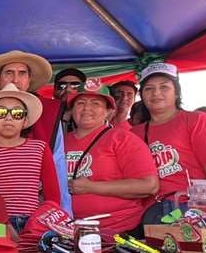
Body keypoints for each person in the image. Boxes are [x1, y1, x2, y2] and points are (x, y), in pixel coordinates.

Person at [130, 62, 206, 219]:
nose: (156, 93)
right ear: (142, 95)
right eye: (149, 88)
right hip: (148, 211)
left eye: (164, 87)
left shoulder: (197, 120)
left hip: (188, 207)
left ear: (176, 93)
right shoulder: (133, 133)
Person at [0, 50, 71, 214]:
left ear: (29, 80)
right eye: (9, 73)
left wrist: (62, 216)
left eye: (22, 73)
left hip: (33, 220)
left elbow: (58, 172)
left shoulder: (49, 116)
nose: (16, 79)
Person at [65, 82, 158, 236]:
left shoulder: (123, 139)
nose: (87, 108)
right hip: (69, 231)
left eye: (95, 103)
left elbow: (149, 186)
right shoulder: (60, 142)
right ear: (72, 110)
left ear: (109, 112)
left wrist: (91, 187)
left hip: (119, 231)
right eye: (81, 103)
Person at [0, 83, 60, 233]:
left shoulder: (40, 148)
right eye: (0, 112)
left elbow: (52, 196)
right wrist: (3, 223)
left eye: (17, 113)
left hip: (34, 223)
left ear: (25, 121)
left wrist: (41, 224)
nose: (8, 117)